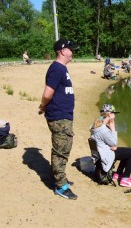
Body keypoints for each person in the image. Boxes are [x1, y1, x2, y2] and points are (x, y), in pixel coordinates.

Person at [38, 39, 78, 200]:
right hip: (59, 116)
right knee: (61, 150)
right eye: (71, 49)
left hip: (64, 115)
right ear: (62, 51)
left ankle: (60, 177)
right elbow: (48, 93)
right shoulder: (56, 69)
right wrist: (42, 106)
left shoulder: (62, 68)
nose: (73, 52)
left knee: (64, 148)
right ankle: (60, 186)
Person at [90, 104, 131, 188]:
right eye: (114, 113)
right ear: (109, 115)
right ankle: (125, 179)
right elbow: (114, 142)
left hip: (101, 153)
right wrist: (113, 128)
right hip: (106, 155)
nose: (115, 115)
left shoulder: (95, 125)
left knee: (125, 152)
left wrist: (112, 146)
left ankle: (118, 174)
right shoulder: (103, 130)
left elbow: (104, 141)